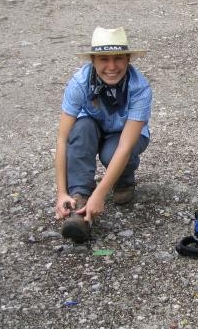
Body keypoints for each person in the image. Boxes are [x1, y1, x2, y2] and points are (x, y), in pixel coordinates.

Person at [54, 27, 152, 243]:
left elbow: (125, 146)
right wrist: (61, 192)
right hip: (92, 128)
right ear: (93, 61)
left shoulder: (140, 88)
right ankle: (78, 201)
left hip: (126, 135)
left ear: (128, 59)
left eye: (118, 58)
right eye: (103, 59)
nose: (111, 66)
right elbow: (62, 139)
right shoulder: (79, 83)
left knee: (113, 152)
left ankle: (124, 180)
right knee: (80, 129)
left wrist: (100, 194)